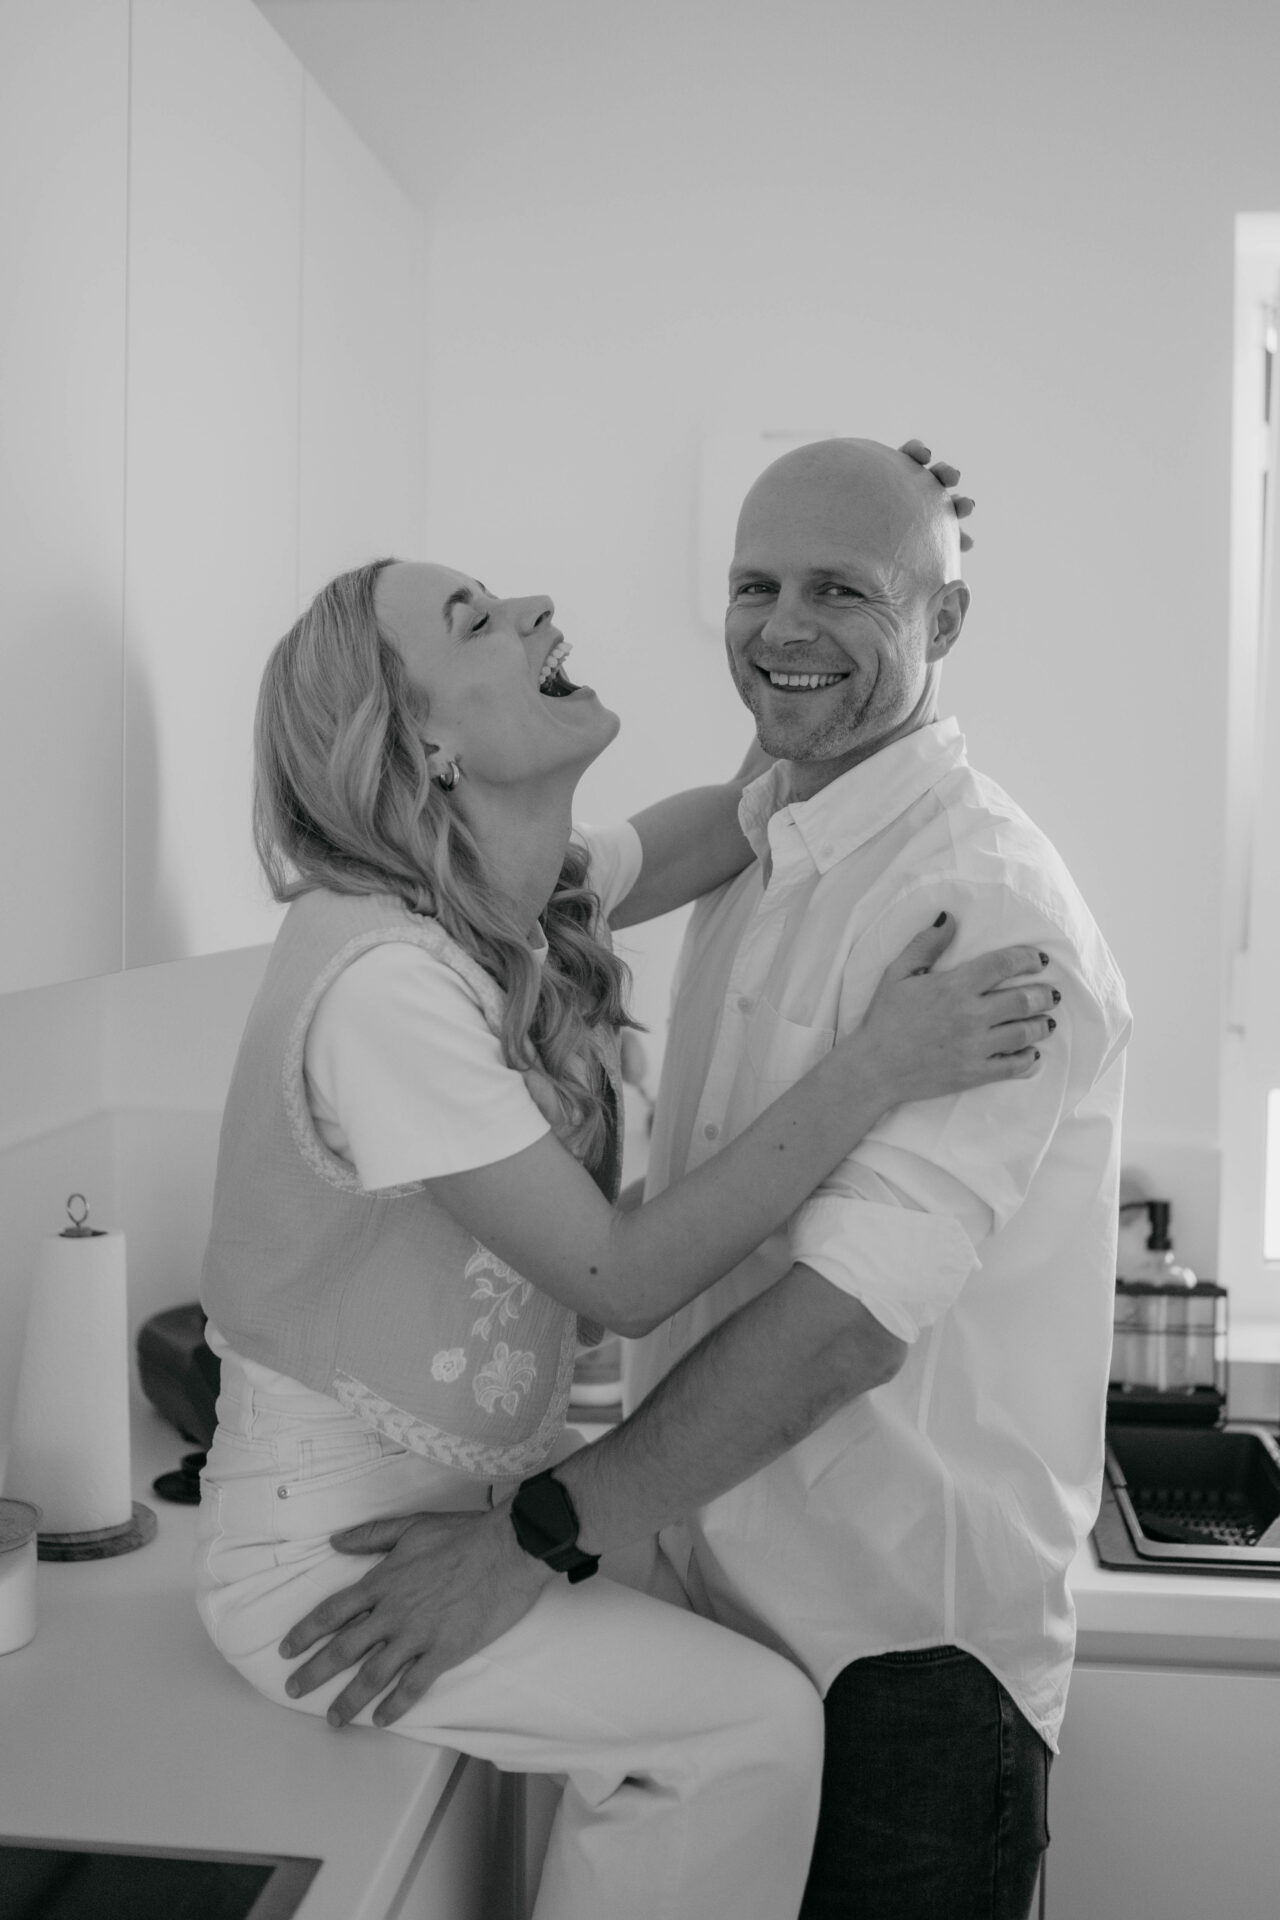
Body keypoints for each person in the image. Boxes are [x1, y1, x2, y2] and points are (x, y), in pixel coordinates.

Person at [194, 540, 1060, 1920]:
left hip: (429, 1515)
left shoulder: (496, 891)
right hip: (330, 1565)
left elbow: (737, 820)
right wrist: (878, 1066)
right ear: (423, 741)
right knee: (749, 1730)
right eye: (476, 619)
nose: (534, 607)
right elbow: (622, 1276)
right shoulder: (384, 985)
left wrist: (864, 604)